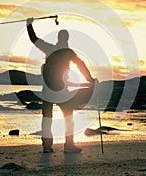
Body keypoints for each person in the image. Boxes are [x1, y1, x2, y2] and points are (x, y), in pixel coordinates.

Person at [26, 17, 96, 153]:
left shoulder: (49, 48)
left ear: (58, 38)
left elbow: (34, 39)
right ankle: (69, 146)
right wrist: (90, 80)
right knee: (68, 118)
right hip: (62, 91)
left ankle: (47, 147)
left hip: (47, 90)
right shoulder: (70, 53)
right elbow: (82, 66)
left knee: (47, 119)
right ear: (67, 39)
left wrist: (29, 25)